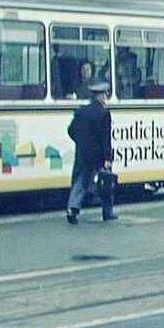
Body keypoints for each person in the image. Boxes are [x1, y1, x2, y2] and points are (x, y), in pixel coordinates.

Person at [66, 80, 117, 223]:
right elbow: (105, 138)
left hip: (82, 154)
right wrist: (107, 158)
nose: (105, 98)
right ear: (100, 97)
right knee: (106, 183)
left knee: (80, 182)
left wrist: (81, 142)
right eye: (104, 95)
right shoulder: (104, 114)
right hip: (98, 156)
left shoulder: (81, 112)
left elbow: (71, 131)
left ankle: (72, 209)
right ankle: (108, 212)